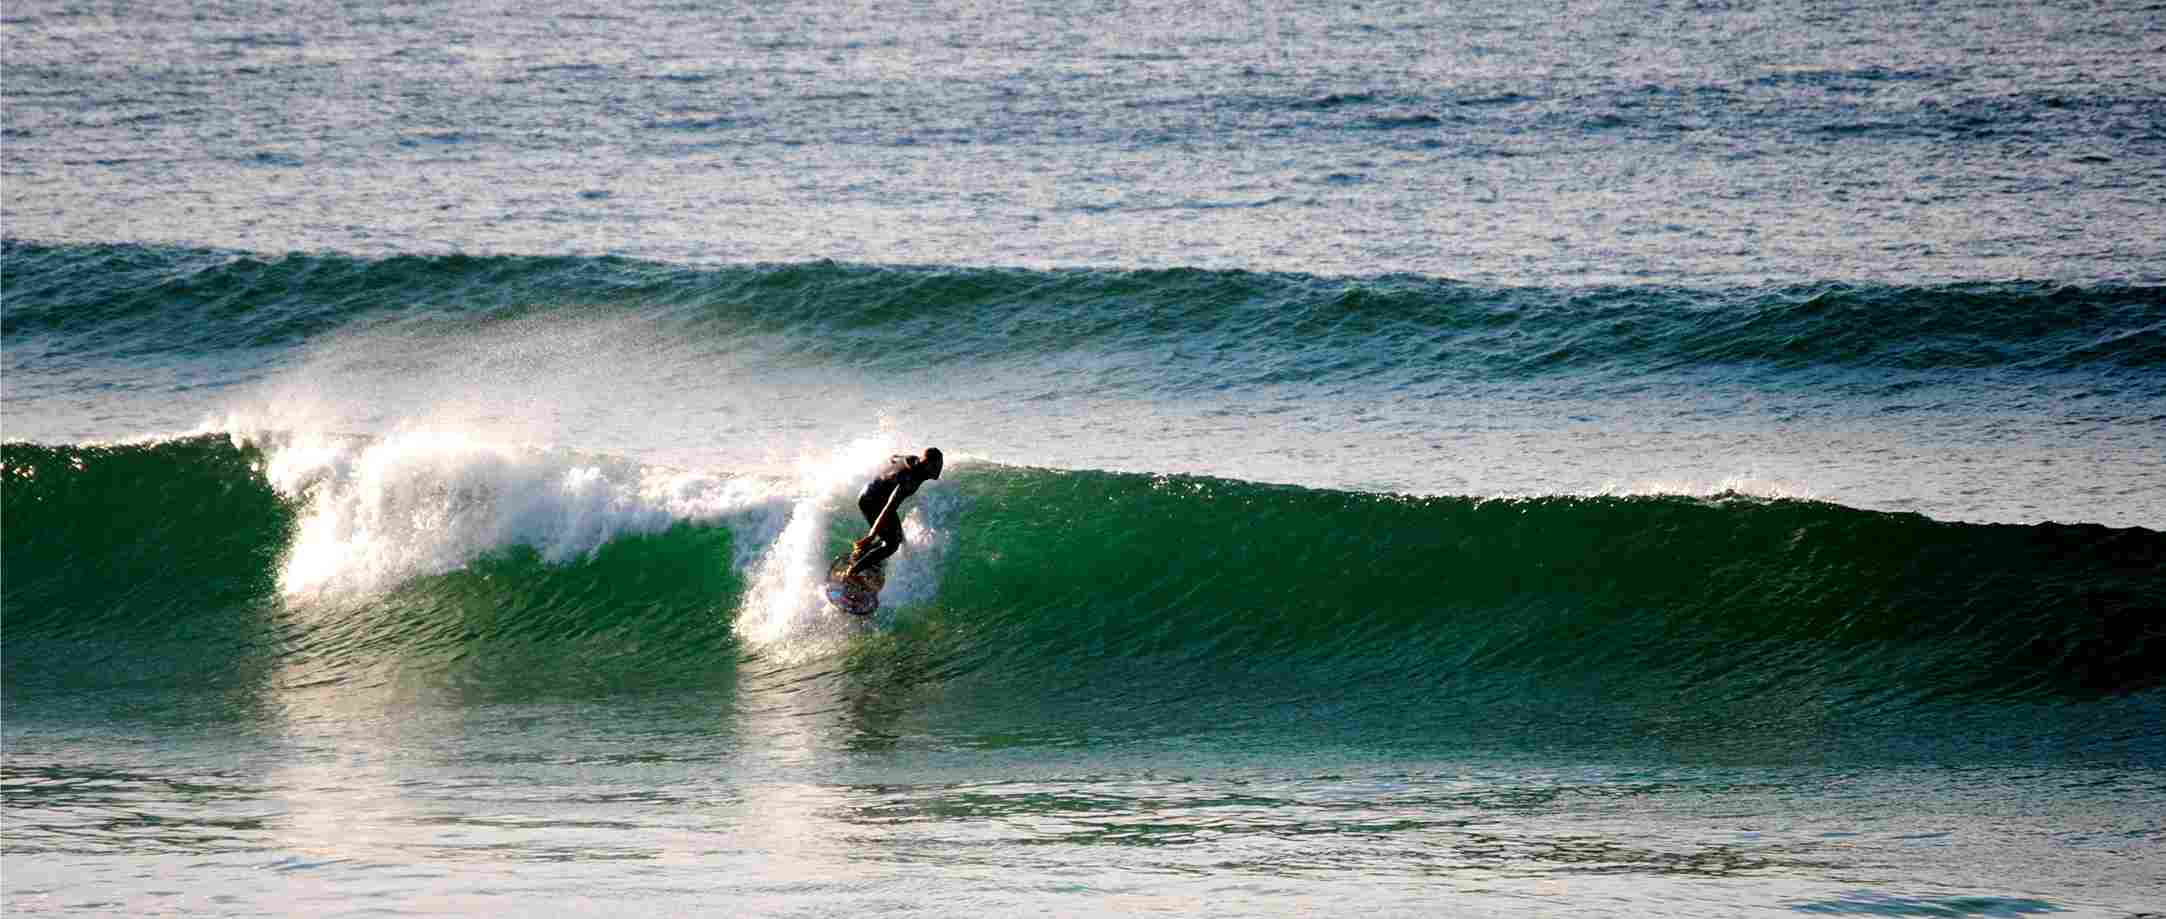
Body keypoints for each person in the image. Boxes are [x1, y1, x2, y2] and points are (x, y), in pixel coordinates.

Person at [846, 447, 943, 578]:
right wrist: (871, 536)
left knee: (897, 537)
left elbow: (894, 457)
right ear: (928, 465)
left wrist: (889, 476)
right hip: (871, 501)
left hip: (872, 493)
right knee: (892, 544)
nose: (940, 469)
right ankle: (852, 572)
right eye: (937, 465)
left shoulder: (912, 459)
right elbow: (889, 507)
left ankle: (865, 559)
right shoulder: (910, 480)